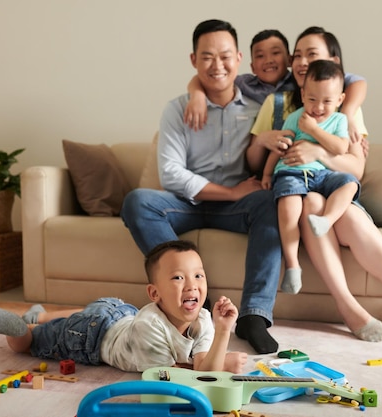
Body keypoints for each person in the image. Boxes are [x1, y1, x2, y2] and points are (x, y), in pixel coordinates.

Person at [248, 26, 382, 342]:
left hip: (333, 187)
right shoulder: (278, 105)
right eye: (298, 55)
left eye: (312, 54)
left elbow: (354, 167)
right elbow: (254, 160)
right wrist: (265, 141)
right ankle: (347, 306)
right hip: (296, 192)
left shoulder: (343, 111)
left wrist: (318, 148)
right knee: (311, 203)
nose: (303, 61)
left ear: (334, 62)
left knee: (342, 211)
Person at [120, 19, 282, 354]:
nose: (217, 65)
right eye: (207, 57)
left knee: (270, 201)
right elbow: (171, 174)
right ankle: (197, 299)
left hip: (239, 207)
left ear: (239, 58)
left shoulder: (260, 108)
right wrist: (229, 192)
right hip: (187, 203)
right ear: (193, 61)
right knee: (137, 201)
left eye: (225, 56)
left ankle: (254, 316)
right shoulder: (178, 108)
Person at [0, 240, 248, 373]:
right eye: (178, 277)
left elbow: (201, 363)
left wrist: (224, 331)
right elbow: (174, 373)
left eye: (199, 275)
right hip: (92, 337)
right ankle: (20, 326)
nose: (192, 285)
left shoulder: (202, 318)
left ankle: (40, 314)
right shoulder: (148, 324)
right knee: (28, 344)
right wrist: (222, 361)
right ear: (154, 293)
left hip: (118, 312)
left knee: (81, 314)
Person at [262, 60, 361, 295]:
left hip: (324, 174)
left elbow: (340, 148)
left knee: (349, 184)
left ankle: (326, 220)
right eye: (313, 99)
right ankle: (293, 265)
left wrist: (314, 130)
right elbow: (281, 146)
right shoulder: (294, 118)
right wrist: (267, 173)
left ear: (340, 100)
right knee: (288, 204)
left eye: (327, 101)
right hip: (292, 172)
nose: (318, 107)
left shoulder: (339, 120)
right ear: (303, 94)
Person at [184, 29, 295, 131]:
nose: (268, 60)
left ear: (290, 60)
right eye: (260, 56)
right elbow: (209, 78)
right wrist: (197, 96)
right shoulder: (246, 84)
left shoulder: (298, 83)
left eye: (275, 53)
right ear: (253, 67)